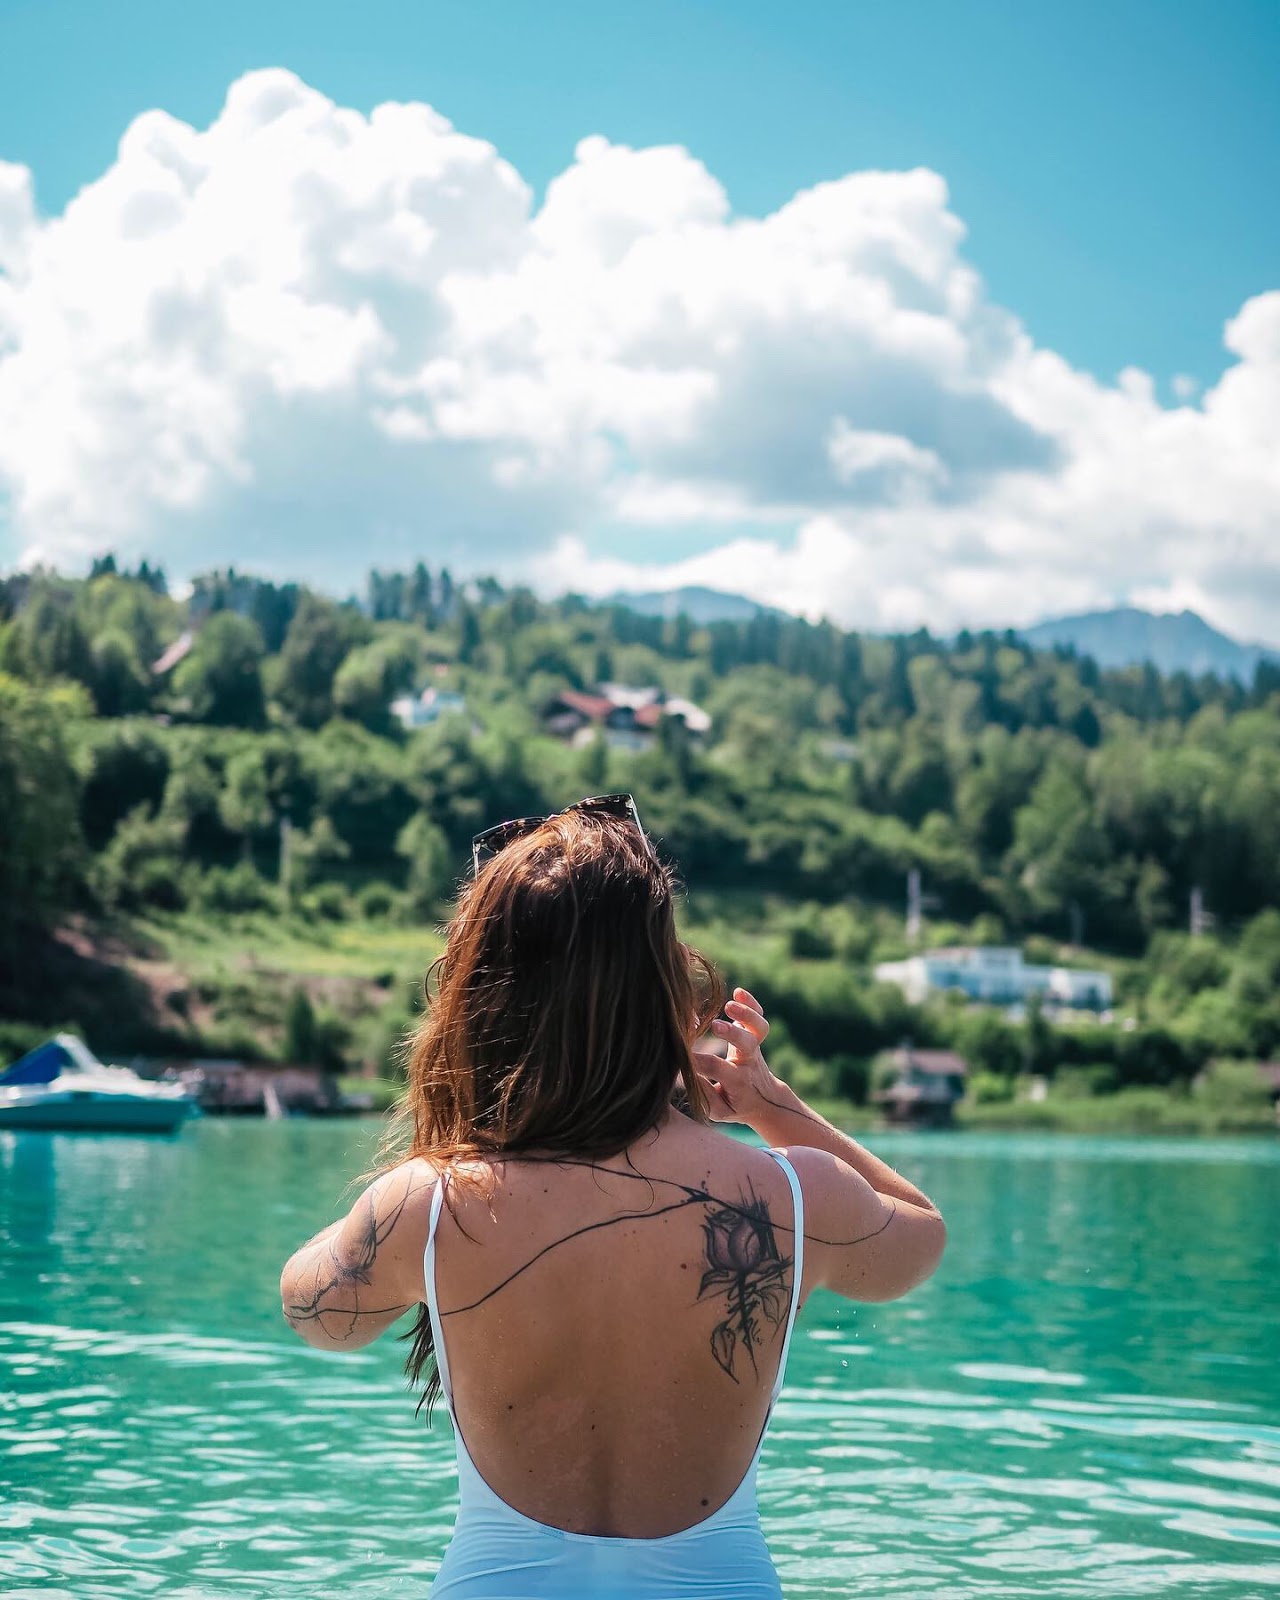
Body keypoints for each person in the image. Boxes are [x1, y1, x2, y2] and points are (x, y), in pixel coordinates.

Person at [280, 794, 946, 1598]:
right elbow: (921, 1238)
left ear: (486, 1002)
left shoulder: (427, 1205)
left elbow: (313, 1314)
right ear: (668, 992)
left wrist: (443, 1148)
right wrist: (775, 1107)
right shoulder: (795, 1198)